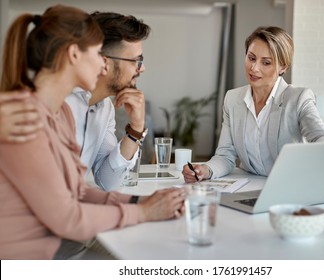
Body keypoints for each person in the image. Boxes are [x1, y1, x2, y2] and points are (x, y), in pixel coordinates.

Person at [0, 5, 185, 260]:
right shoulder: (24, 116)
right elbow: (67, 217)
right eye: (98, 54)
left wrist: (138, 203)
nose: (102, 63)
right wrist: (142, 212)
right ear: (75, 54)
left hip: (62, 238)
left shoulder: (61, 114)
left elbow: (79, 190)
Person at [0, 12, 151, 191]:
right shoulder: (55, 102)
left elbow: (107, 181)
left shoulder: (105, 108)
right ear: (105, 62)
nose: (142, 69)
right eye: (137, 61)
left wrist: (136, 129)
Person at [182, 26, 324, 183]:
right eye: (251, 58)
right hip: (248, 186)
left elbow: (323, 138)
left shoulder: (298, 98)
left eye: (266, 62)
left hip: (287, 186)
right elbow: (225, 155)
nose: (254, 68)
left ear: (283, 67)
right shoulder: (232, 99)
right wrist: (205, 170)